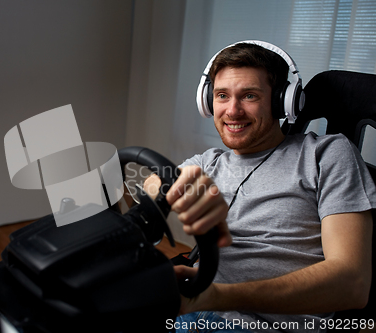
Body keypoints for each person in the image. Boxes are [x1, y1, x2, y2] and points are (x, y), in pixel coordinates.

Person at [145, 42, 375, 332]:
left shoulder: (326, 155)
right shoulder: (209, 162)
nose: (232, 110)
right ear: (207, 101)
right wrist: (171, 191)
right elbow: (155, 183)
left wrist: (216, 298)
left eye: (249, 96)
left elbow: (352, 284)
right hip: (190, 310)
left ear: (282, 101)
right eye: (222, 96)